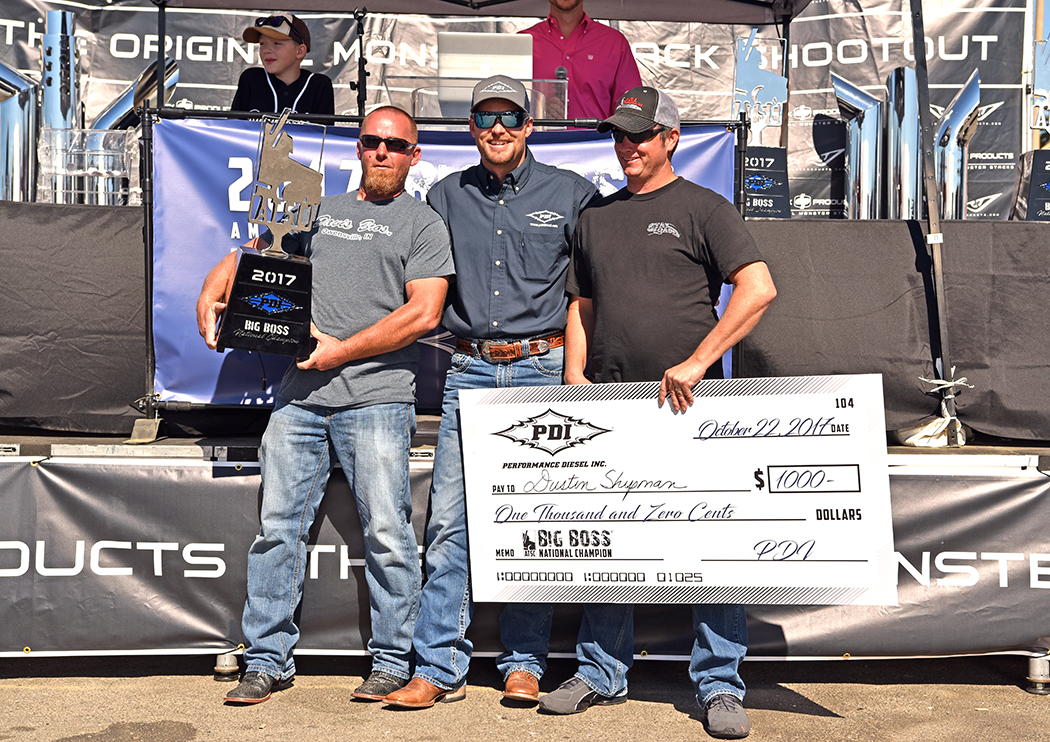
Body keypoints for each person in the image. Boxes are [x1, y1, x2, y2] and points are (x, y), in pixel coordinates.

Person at [196, 106, 454, 704]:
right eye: (372, 141)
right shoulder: (318, 213)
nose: (382, 152)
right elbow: (254, 257)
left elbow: (424, 313)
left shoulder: (423, 224)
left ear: (414, 156)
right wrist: (213, 289)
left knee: (388, 534)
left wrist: (341, 352)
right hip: (299, 402)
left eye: (396, 144)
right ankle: (267, 659)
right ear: (357, 149)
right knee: (277, 532)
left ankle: (393, 660)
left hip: (378, 399)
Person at [546, 86, 777, 741]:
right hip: (610, 408)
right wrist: (573, 375)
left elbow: (758, 288)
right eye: (619, 136)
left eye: (640, 135)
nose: (627, 146)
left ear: (671, 139)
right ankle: (600, 671)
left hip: (691, 409)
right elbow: (582, 305)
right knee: (608, 545)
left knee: (712, 548)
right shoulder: (596, 216)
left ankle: (720, 683)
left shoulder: (705, 208)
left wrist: (700, 360)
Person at [382, 75, 598, 709]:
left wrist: (578, 377)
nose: (496, 128)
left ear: (529, 125)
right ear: (471, 128)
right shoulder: (445, 195)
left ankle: (524, 664)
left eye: (509, 117)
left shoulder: (573, 193)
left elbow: (590, 291)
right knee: (450, 522)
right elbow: (390, 256)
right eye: (484, 118)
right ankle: (438, 667)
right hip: (469, 371)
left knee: (534, 522)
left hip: (544, 369)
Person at [521, 0, 642, 120]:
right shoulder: (522, 43)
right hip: (535, 133)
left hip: (598, 134)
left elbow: (630, 113)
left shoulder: (615, 42)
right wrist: (537, 109)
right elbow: (511, 109)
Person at [231, 12, 335, 115]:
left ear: (300, 51)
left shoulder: (319, 86)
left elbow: (323, 126)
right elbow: (233, 125)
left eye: (277, 43)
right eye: (262, 43)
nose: (266, 50)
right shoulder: (251, 79)